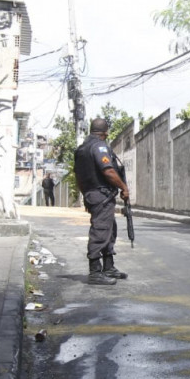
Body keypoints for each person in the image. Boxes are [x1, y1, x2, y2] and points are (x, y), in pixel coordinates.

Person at [73, 118, 129, 285]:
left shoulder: (81, 149)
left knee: (109, 230)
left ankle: (109, 266)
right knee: (101, 231)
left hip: (93, 194)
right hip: (101, 195)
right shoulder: (99, 146)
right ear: (105, 133)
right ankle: (95, 272)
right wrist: (123, 187)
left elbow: (78, 176)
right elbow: (108, 170)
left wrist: (86, 194)